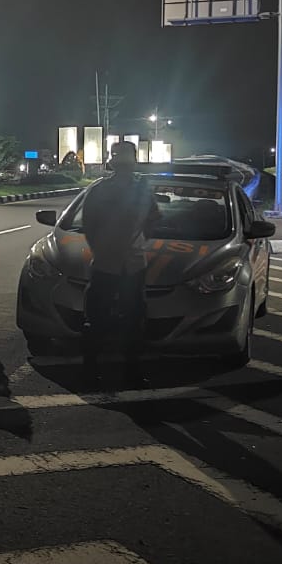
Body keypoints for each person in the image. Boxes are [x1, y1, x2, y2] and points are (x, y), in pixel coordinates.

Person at [80, 141, 160, 386]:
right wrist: (105, 249)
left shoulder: (140, 190)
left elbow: (153, 219)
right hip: (111, 263)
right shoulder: (101, 190)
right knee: (100, 319)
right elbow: (89, 224)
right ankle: (93, 371)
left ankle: (128, 371)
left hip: (128, 263)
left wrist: (135, 243)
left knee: (131, 320)